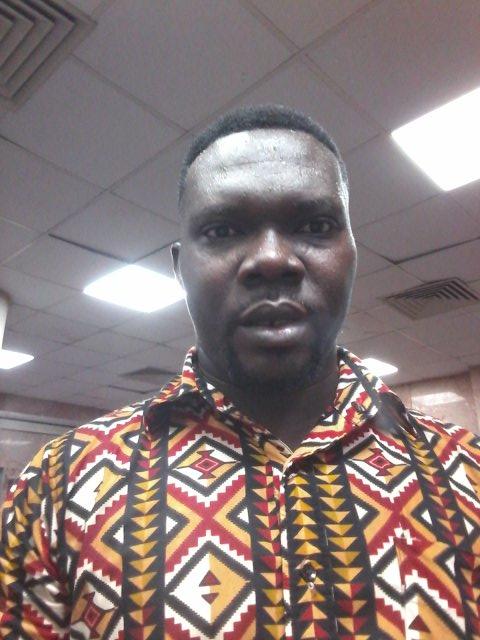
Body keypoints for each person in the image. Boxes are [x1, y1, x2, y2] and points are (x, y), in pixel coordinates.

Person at [1, 105, 479, 640]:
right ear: (179, 268)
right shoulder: (58, 488)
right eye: (224, 229)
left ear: (352, 254)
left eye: (315, 226)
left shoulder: (468, 475)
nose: (271, 259)